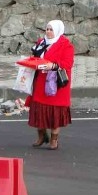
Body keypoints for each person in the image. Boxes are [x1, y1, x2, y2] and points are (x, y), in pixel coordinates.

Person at [25, 19, 74, 150]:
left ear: (58, 30)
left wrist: (53, 65)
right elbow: (35, 57)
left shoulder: (66, 45)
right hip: (40, 81)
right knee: (39, 110)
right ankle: (41, 136)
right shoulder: (41, 42)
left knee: (55, 113)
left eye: (51, 29)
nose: (48, 31)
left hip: (56, 84)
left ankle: (54, 139)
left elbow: (68, 63)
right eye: (47, 29)